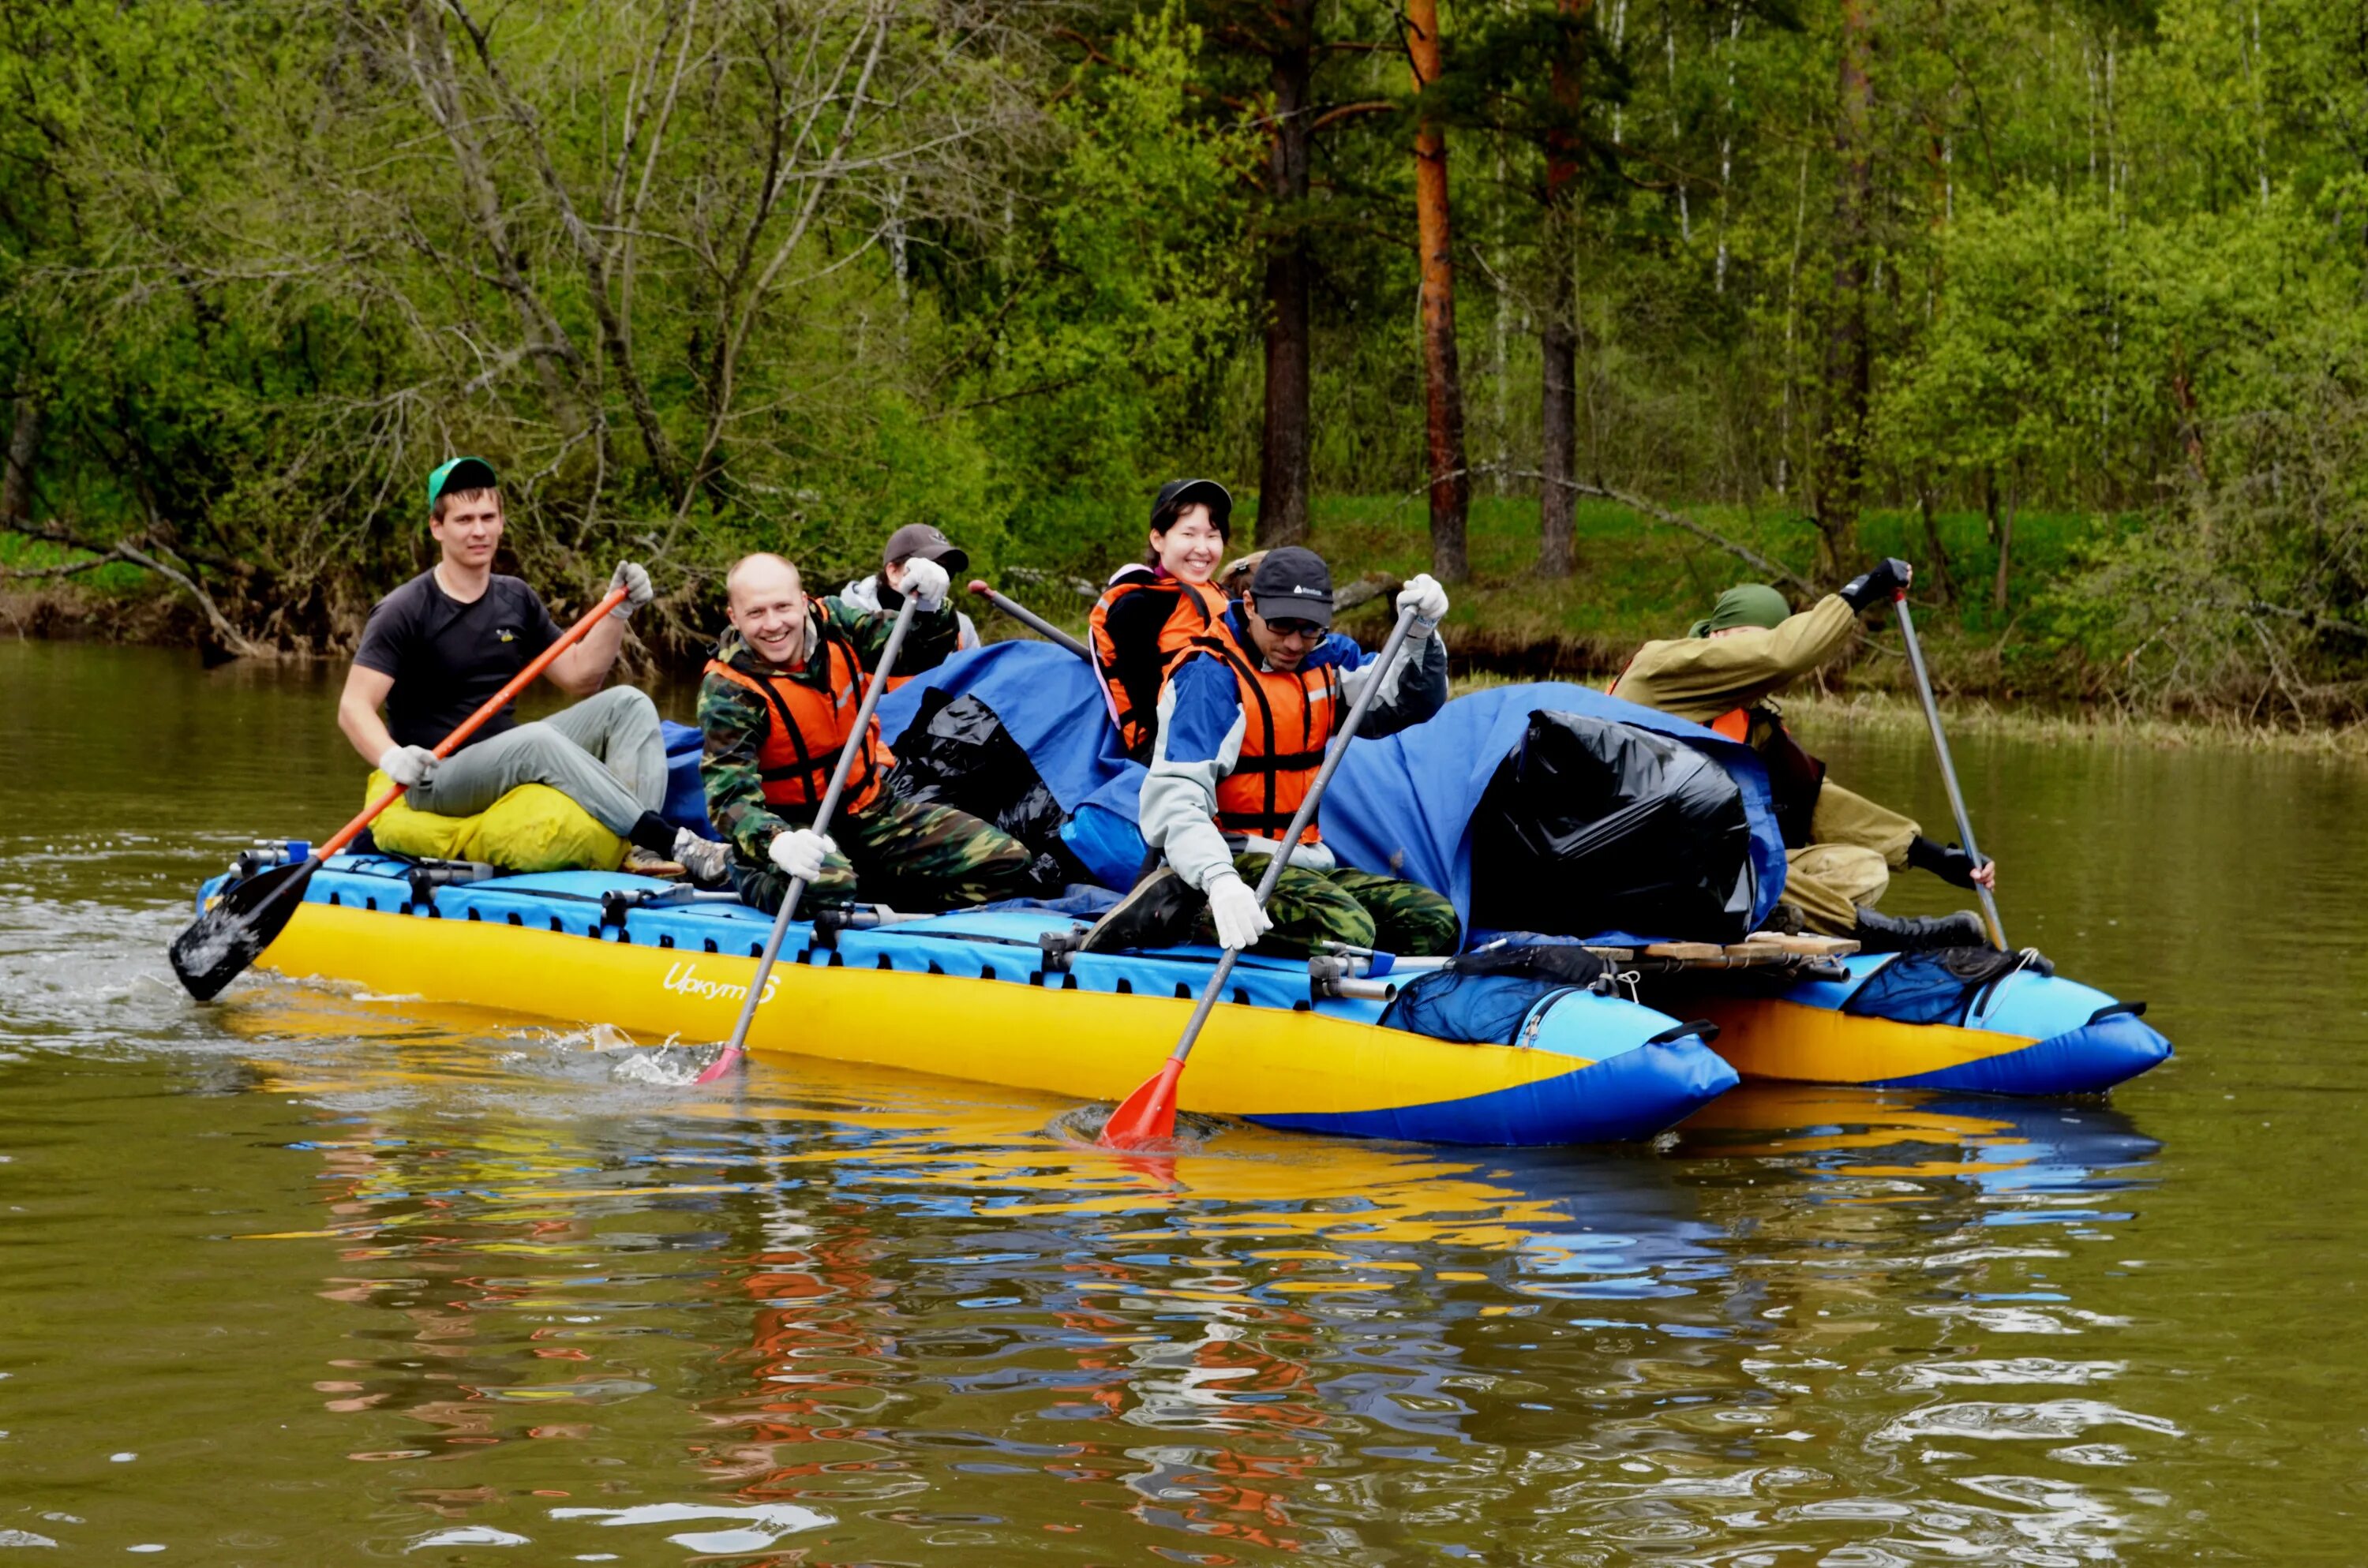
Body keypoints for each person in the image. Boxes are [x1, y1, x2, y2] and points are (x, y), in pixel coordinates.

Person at [337, 455, 727, 882]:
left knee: (629, 704)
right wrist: (392, 758)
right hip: (437, 778)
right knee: (534, 740)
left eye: (488, 517)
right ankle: (676, 842)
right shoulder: (404, 609)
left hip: (507, 758)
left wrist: (616, 612)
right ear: (437, 528)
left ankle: (642, 851)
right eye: (464, 519)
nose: (479, 530)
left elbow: (581, 676)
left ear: (502, 522)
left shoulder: (515, 598)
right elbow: (354, 706)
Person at [1085, 545, 1461, 958]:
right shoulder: (1209, 678)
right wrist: (1219, 879)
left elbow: (1408, 700)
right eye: (1281, 625)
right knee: (1349, 929)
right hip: (1228, 861)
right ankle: (1179, 910)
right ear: (1249, 604)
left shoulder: (1329, 660)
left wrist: (1420, 633)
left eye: (1310, 629)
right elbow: (1175, 802)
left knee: (1435, 921)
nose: (1294, 643)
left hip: (1302, 862)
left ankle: (1341, 965)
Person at [1609, 561, 1998, 950]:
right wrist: (1860, 591)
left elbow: (1816, 803)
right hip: (1628, 862)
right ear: (1716, 634)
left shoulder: (1752, 720)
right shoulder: (1659, 668)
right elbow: (1780, 657)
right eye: (1745, 641)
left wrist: (1935, 857)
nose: (1750, 660)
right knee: (1738, 857)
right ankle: (1877, 932)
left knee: (1864, 869)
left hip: (1702, 877)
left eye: (1761, 643)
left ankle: (1773, 916)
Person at [699, 552, 1059, 914]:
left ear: (803, 600)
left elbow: (918, 651)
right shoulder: (728, 690)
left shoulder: (836, 622)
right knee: (829, 889)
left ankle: (901, 913)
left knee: (1007, 862)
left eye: (782, 607)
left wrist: (932, 610)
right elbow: (730, 797)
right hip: (797, 828)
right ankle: (743, 867)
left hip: (872, 809)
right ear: (734, 617)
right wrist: (777, 843)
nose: (774, 624)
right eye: (756, 613)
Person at [1089, 478, 1235, 762]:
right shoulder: (1136, 607)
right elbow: (1149, 707)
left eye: (1212, 535)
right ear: (1159, 539)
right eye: (1189, 534)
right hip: (1168, 754)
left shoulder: (1227, 597)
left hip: (1233, 737)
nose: (1202, 548)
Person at [838, 523, 981, 681]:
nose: (940, 577)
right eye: (930, 566)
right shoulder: (843, 624)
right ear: (893, 571)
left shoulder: (962, 628)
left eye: (948, 572)